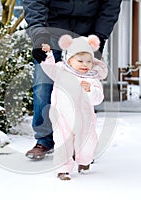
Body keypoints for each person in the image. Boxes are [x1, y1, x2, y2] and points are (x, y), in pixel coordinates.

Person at [23, 0, 122, 160]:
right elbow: (35, 3)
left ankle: (80, 143)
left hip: (86, 34)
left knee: (83, 89)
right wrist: (39, 35)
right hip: (51, 30)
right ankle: (44, 140)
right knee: (43, 85)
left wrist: (99, 36)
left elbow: (110, 5)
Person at [40, 34, 106, 180]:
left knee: (88, 143)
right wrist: (48, 54)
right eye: (80, 60)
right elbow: (48, 67)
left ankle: (84, 161)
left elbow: (98, 98)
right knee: (63, 142)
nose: (85, 64)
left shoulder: (92, 78)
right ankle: (63, 169)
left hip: (85, 119)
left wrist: (90, 90)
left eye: (89, 61)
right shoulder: (61, 71)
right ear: (69, 60)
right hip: (62, 117)